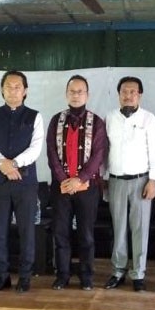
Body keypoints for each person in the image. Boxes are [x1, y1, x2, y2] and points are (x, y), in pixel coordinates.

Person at [0, 70, 44, 293]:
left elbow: (35, 148)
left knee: (26, 230)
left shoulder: (35, 116)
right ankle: (2, 275)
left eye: (18, 87)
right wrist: (2, 164)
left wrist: (13, 164)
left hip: (25, 182)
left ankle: (24, 277)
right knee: (0, 229)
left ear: (25, 91)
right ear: (2, 89)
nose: (13, 90)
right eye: (8, 86)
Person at [46, 75, 108, 291]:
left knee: (86, 234)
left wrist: (79, 180)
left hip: (87, 188)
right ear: (66, 94)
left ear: (87, 95)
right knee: (60, 233)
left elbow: (98, 155)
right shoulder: (56, 120)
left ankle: (86, 276)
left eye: (80, 91)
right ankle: (62, 275)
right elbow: (52, 152)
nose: (76, 95)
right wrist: (65, 180)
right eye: (72, 91)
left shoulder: (97, 122)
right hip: (60, 187)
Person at [104, 76, 155, 292]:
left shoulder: (149, 119)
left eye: (133, 92)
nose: (128, 96)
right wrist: (103, 177)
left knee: (139, 229)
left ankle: (138, 273)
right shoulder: (110, 118)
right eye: (124, 92)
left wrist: (153, 181)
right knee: (118, 228)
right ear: (119, 94)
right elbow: (105, 151)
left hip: (141, 181)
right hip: (116, 180)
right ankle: (118, 271)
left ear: (140, 95)